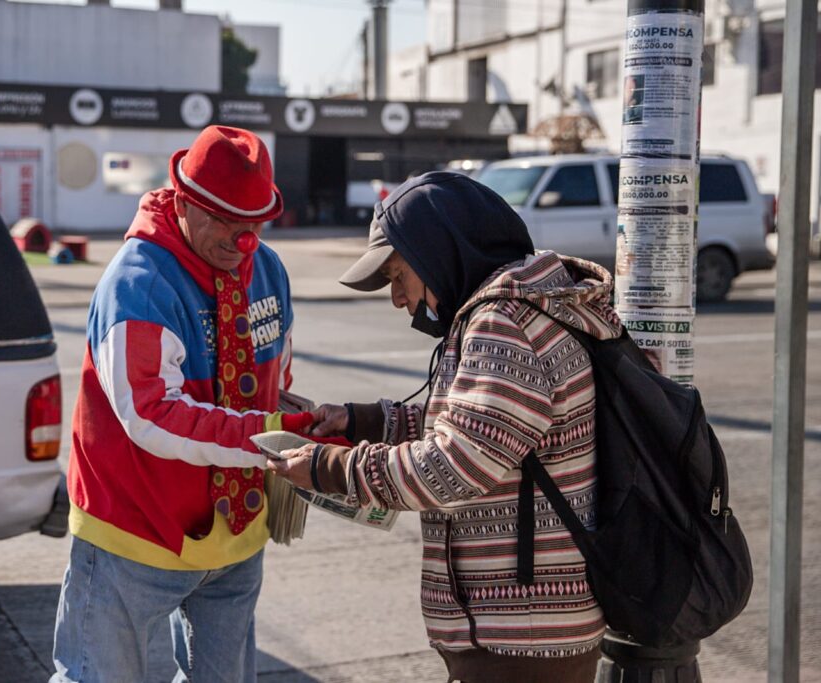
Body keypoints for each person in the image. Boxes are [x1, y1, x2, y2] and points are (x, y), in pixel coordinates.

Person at [268, 171, 624, 683]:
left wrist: (330, 469)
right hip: (527, 627)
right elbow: (489, 434)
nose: (396, 298)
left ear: (438, 252)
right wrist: (367, 421)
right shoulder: (524, 307)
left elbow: (454, 467)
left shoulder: (503, 323)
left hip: (519, 636)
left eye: (397, 276)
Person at [51, 125, 311, 683]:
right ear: (185, 201)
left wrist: (315, 433)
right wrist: (271, 437)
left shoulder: (267, 268)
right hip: (136, 532)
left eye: (254, 224)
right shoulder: (138, 282)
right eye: (224, 220)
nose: (243, 241)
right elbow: (149, 413)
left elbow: (276, 383)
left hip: (236, 537)